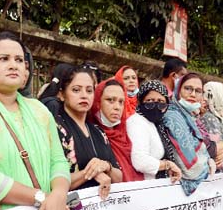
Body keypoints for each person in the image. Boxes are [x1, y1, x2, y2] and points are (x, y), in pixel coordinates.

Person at [0, 31, 72, 210]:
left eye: (19, 60)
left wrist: (58, 195)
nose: (14, 65)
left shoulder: (39, 109)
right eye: (4, 59)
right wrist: (42, 198)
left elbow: (58, 161)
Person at [53, 66, 122, 199]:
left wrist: (106, 166)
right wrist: (90, 173)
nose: (84, 95)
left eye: (89, 90)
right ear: (61, 94)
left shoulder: (98, 131)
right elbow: (51, 181)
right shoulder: (56, 128)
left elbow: (119, 176)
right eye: (76, 90)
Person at [163, 73, 214, 195]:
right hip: (174, 190)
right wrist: (208, 164)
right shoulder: (172, 116)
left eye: (198, 91)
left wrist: (208, 160)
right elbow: (190, 170)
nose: (192, 94)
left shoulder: (189, 116)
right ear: (178, 89)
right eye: (188, 89)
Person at [89, 78, 143, 182]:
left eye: (121, 102)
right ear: (97, 102)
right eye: (110, 100)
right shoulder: (89, 135)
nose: (117, 107)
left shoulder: (126, 135)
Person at [126, 80, 182, 181]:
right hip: (144, 188)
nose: (156, 105)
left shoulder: (158, 124)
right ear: (140, 102)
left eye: (161, 102)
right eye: (150, 101)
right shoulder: (137, 122)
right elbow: (140, 161)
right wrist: (167, 165)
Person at [200, 81, 223, 172]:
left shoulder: (219, 119)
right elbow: (219, 155)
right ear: (219, 98)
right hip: (221, 176)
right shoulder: (209, 119)